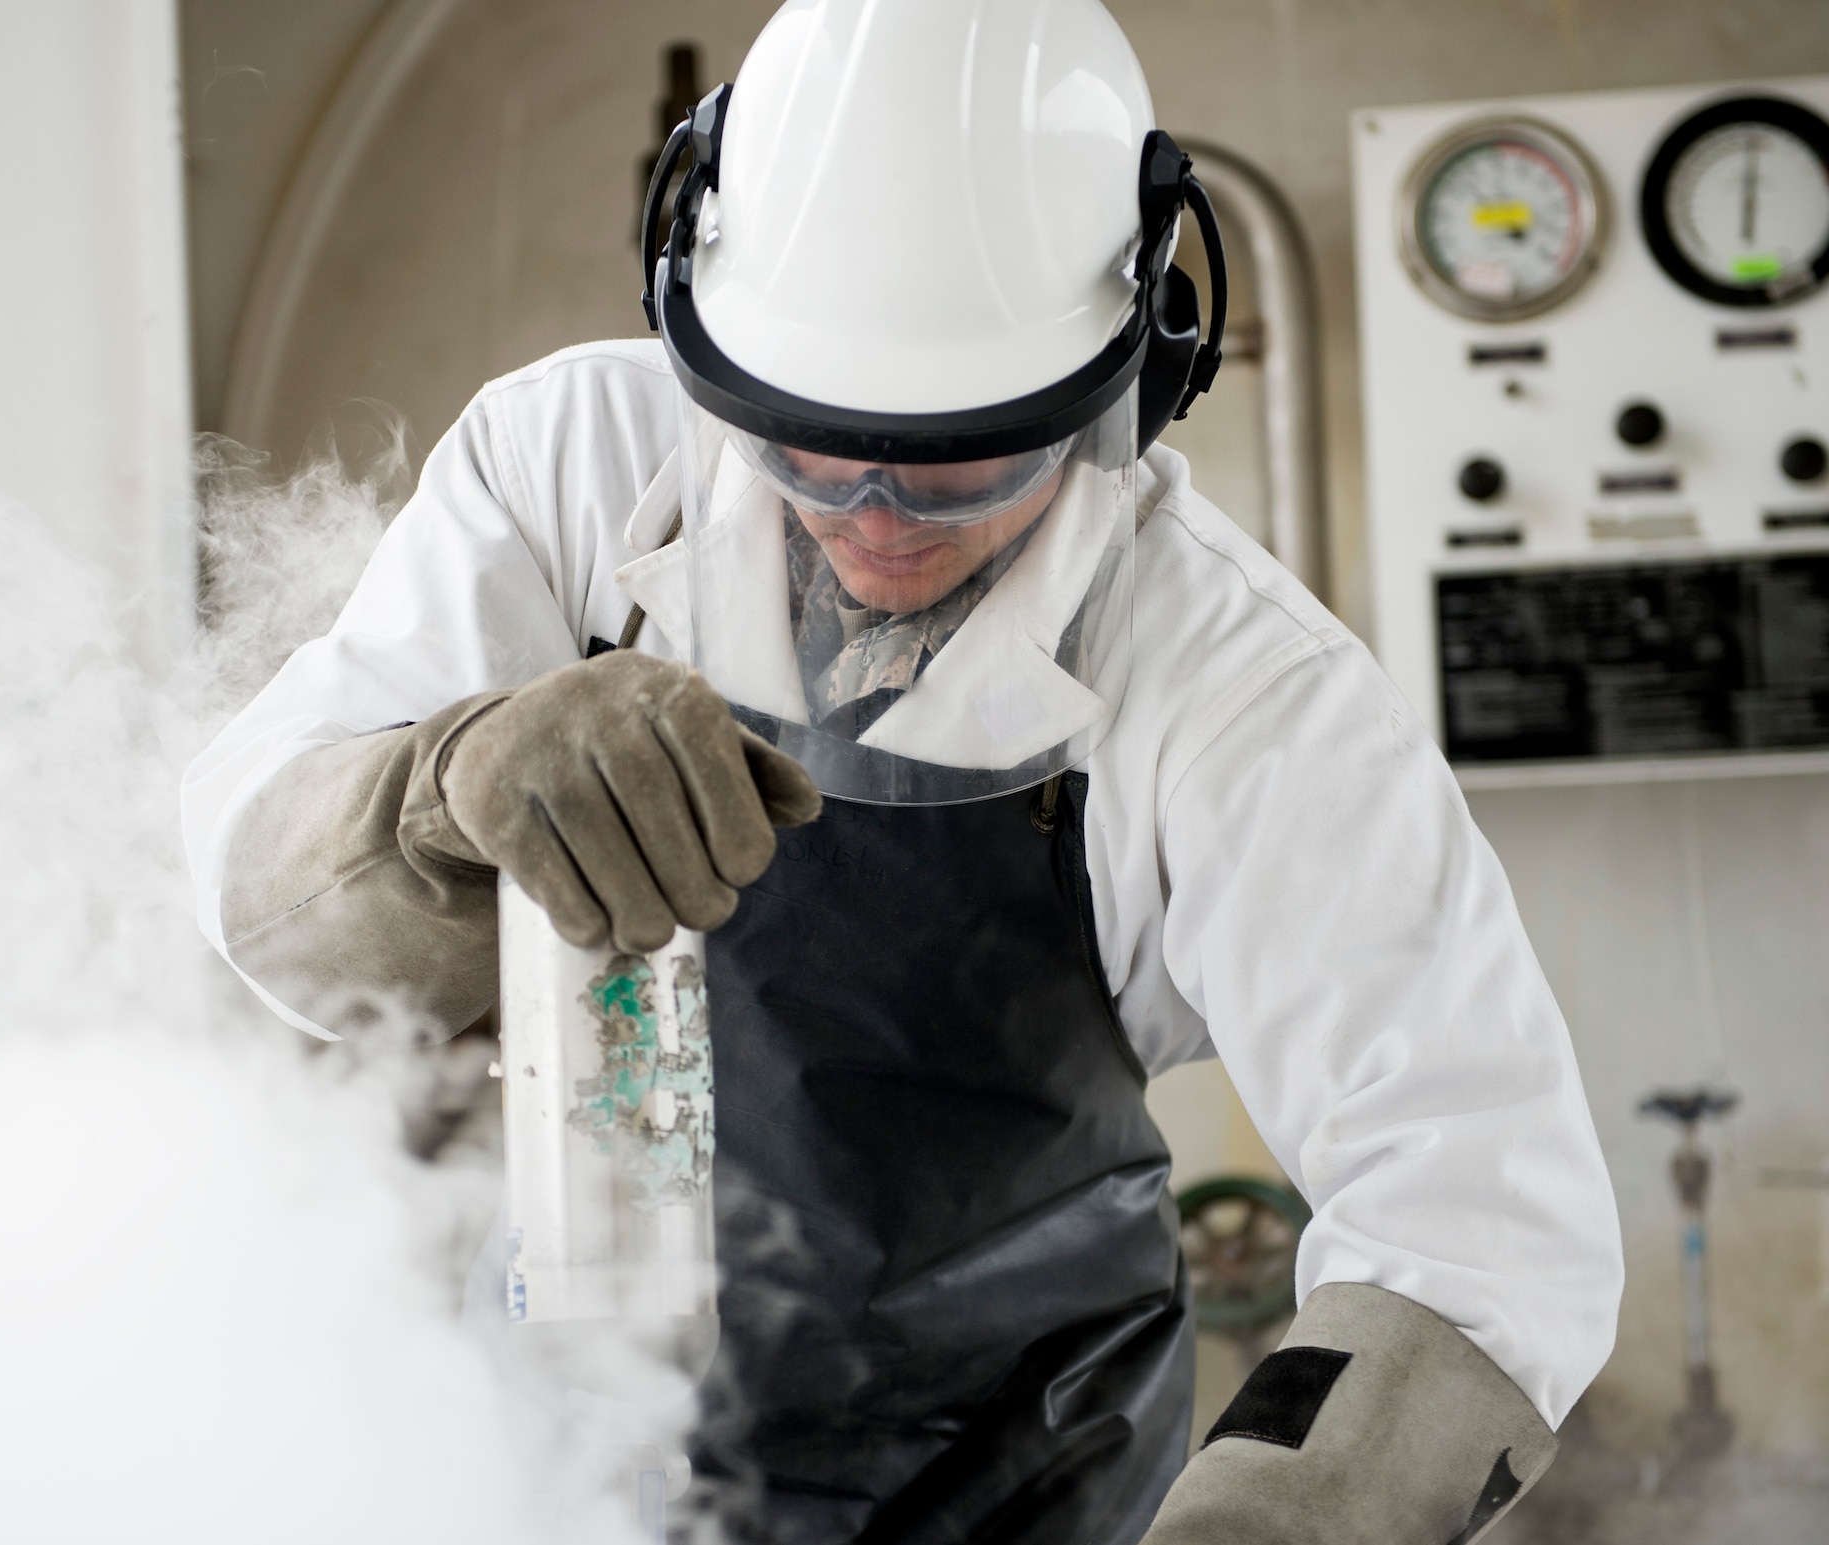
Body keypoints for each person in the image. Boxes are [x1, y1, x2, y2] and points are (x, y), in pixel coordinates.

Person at [182, 3, 1623, 1541]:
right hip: (556, 1463)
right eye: (804, 448)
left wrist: (1280, 1516)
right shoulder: (570, 473)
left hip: (1025, 1491)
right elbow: (259, 905)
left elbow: (1479, 1222)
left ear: (1125, 382)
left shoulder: (1236, 685)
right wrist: (435, 793)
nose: (871, 518)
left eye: (962, 465)